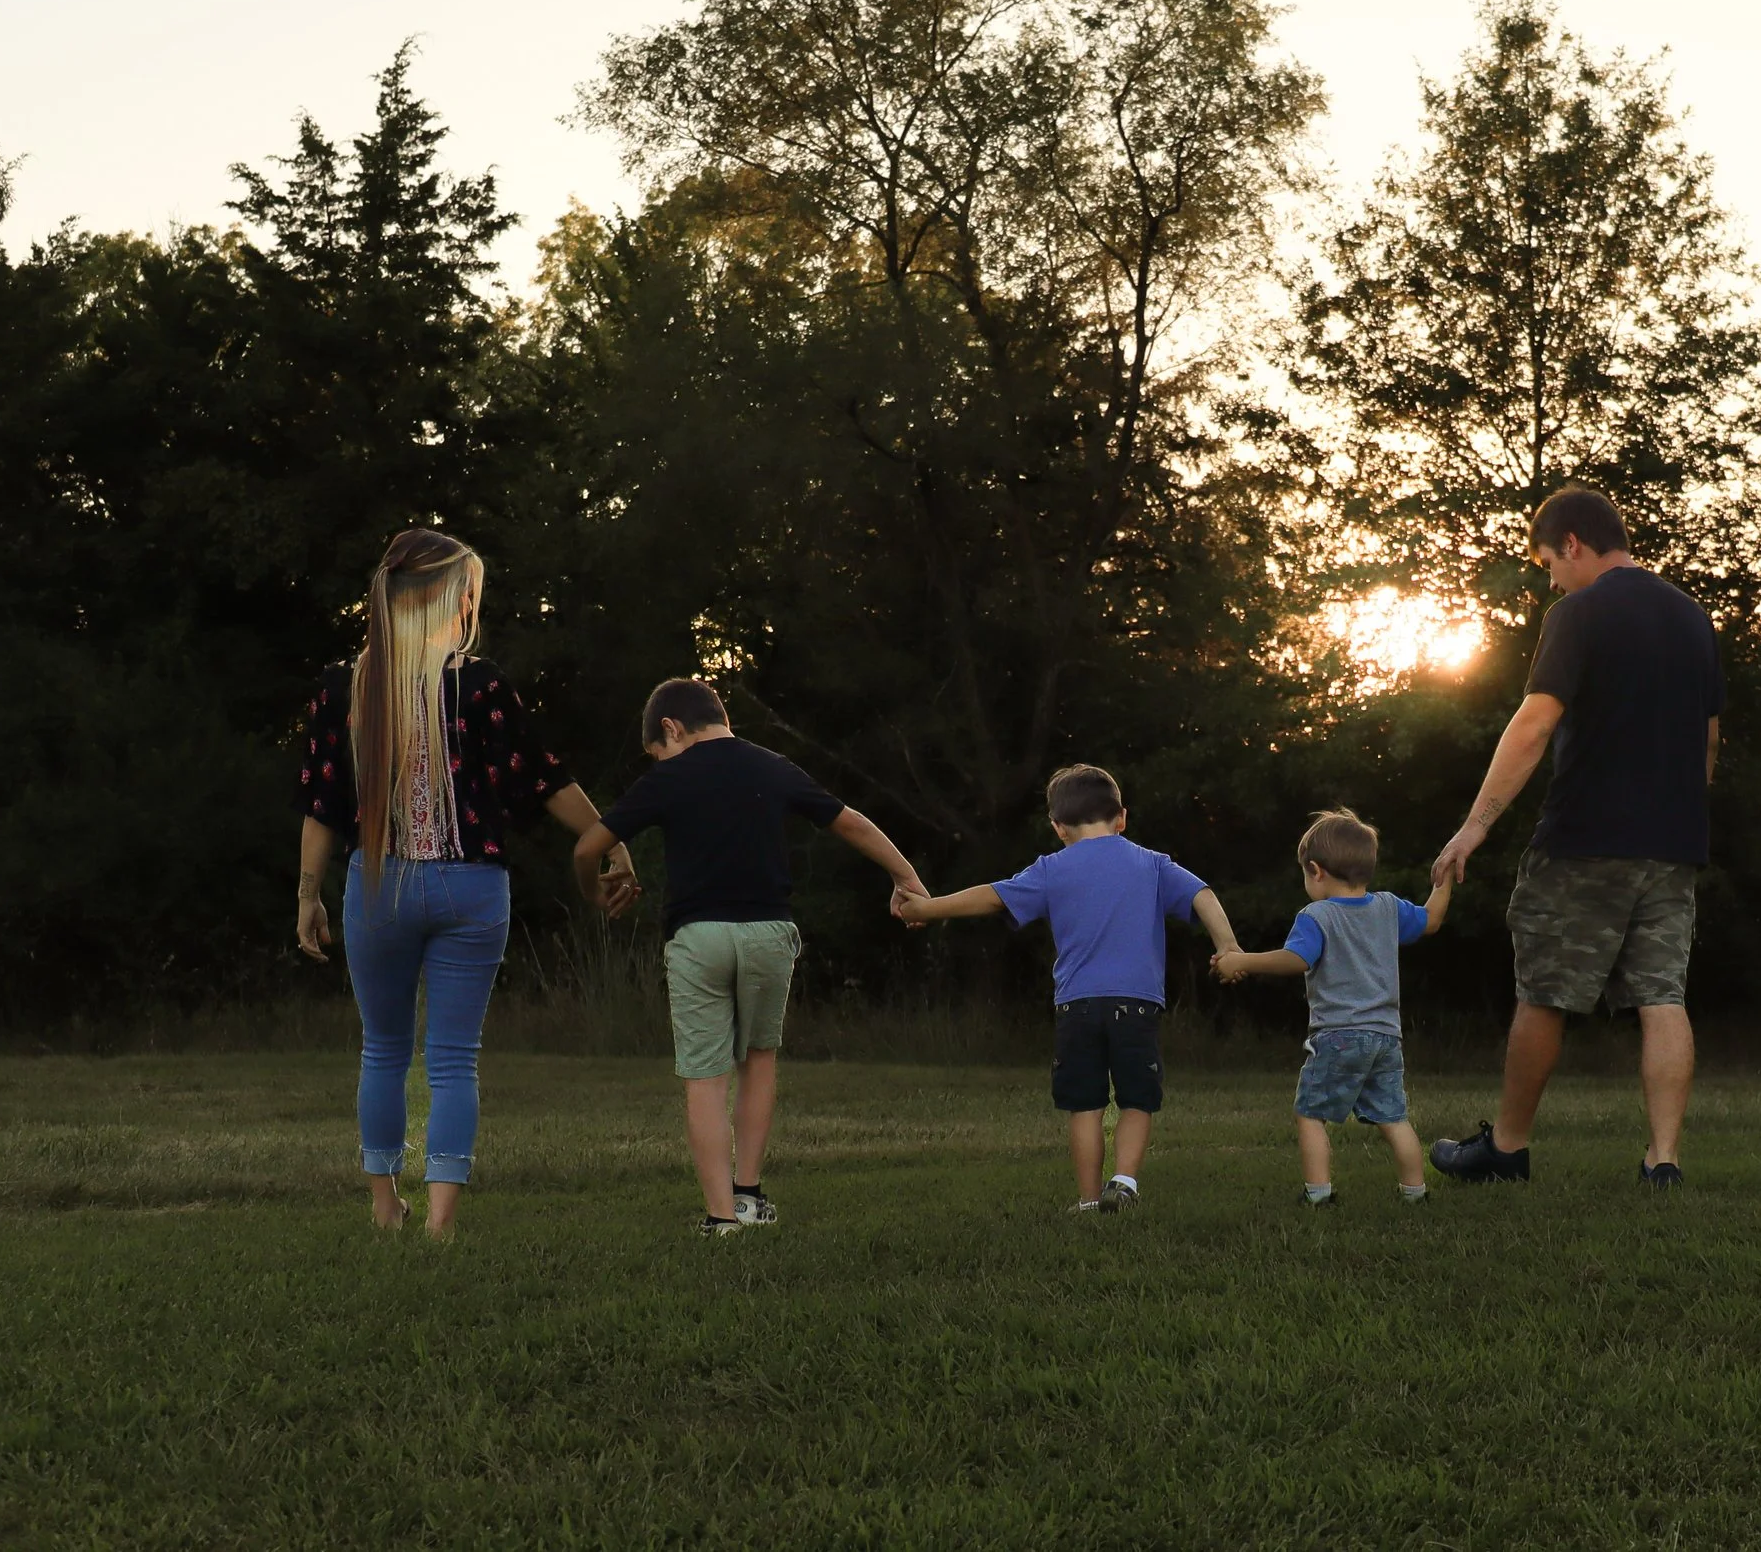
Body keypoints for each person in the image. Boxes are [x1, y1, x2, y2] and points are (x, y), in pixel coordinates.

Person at [295, 528, 638, 1240]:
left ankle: (385, 1207)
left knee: (383, 1049)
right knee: (452, 1058)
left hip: (377, 885)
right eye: (469, 590)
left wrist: (308, 893)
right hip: (471, 887)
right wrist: (609, 840)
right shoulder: (477, 684)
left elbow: (322, 802)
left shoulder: (345, 687)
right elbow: (541, 775)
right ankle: (442, 1222)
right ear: (451, 595)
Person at [1425, 487, 1722, 1189]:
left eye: (1548, 564)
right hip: (1674, 844)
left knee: (1544, 993)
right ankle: (1664, 1160)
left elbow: (1532, 727)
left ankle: (1507, 1148)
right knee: (1662, 995)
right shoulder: (1692, 618)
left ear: (1574, 545)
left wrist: (1475, 826)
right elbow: (1709, 740)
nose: (1549, 580)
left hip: (1585, 841)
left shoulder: (1578, 613)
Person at [571, 678, 927, 1236]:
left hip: (700, 937)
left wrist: (598, 893)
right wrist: (906, 877)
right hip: (769, 932)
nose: (659, 759)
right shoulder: (773, 766)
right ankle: (750, 1197)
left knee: (705, 1079)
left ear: (671, 729)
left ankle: (719, 1219)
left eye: (657, 750)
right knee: (758, 1061)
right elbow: (850, 821)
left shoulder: (668, 777)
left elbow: (587, 847)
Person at [896, 765, 1243, 1214]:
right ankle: (1124, 1181)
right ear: (1122, 818)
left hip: (1076, 1006)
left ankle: (1086, 1202)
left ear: (1058, 827)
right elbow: (1203, 896)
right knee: (1138, 1099)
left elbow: (990, 897)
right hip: (1136, 1005)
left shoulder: (1051, 869)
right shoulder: (1153, 864)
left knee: (1085, 1106)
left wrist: (926, 906)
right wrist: (1228, 946)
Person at [1213, 809, 1451, 1208]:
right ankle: (1415, 1192)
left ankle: (1318, 1195)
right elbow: (1432, 920)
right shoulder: (1389, 908)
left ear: (1316, 870)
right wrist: (1444, 876)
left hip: (1338, 1035)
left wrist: (1243, 961)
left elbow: (1296, 960)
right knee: (1393, 1117)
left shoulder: (1316, 916)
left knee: (1310, 1114)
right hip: (1386, 1037)